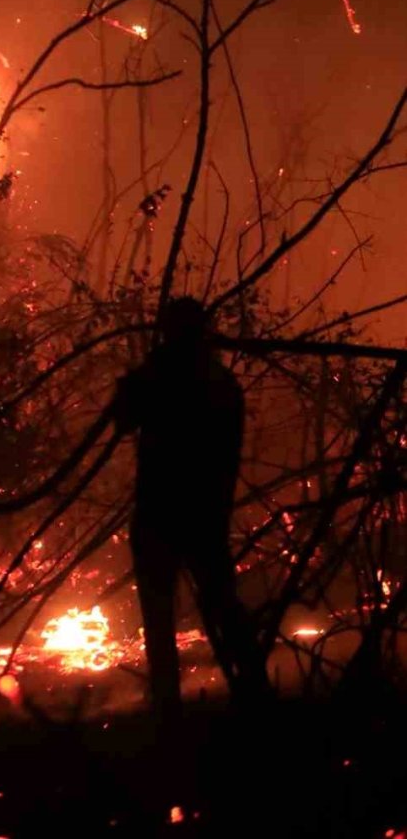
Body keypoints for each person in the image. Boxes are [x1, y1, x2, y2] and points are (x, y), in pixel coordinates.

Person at [113, 297, 270, 717]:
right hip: (205, 512)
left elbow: (123, 417)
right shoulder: (219, 381)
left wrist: (134, 381)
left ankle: (170, 703)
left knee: (162, 611)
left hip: (163, 510)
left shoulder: (164, 376)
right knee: (221, 603)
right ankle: (254, 689)